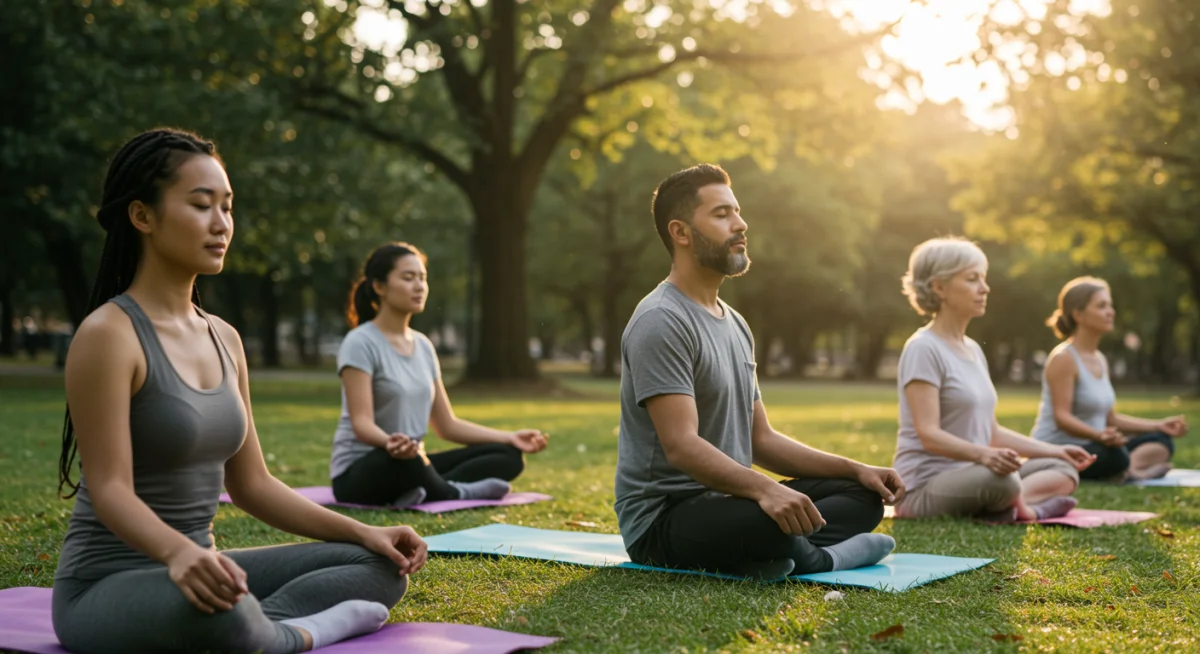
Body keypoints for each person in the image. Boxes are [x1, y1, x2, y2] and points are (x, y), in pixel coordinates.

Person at [53, 128, 426, 654]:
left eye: (227, 207)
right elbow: (111, 487)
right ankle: (298, 633)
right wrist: (179, 554)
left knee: (376, 566)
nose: (222, 223)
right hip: (106, 587)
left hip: (206, 574)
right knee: (217, 610)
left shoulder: (224, 338)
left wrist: (365, 533)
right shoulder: (108, 335)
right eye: (201, 205)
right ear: (143, 217)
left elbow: (252, 484)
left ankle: (255, 627)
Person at [614, 164, 904, 580]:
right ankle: (825, 559)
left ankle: (771, 555)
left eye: (737, 211)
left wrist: (855, 468)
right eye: (721, 215)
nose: (741, 224)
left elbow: (760, 439)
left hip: (734, 498)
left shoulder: (735, 323)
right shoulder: (661, 320)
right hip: (665, 520)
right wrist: (766, 490)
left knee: (861, 495)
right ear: (680, 232)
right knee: (766, 520)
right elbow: (680, 445)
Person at [892, 237, 1096, 522]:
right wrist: (984, 457)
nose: (984, 288)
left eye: (983, 279)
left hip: (977, 473)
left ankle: (1005, 506)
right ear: (939, 287)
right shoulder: (923, 348)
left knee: (1062, 469)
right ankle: (1026, 509)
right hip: (925, 488)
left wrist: (1057, 450)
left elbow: (991, 433)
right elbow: (929, 435)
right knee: (1003, 480)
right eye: (972, 279)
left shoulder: (973, 349)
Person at [330, 242, 548, 507]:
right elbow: (361, 424)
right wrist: (390, 443)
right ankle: (451, 492)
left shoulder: (423, 345)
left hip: (414, 462)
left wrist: (509, 436)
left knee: (507, 456)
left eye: (422, 278)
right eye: (408, 278)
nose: (419, 286)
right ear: (379, 286)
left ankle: (422, 489)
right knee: (403, 461)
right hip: (365, 470)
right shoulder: (360, 342)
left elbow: (447, 425)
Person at [1031, 276, 1188, 481]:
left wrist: (1158, 425)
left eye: (1110, 306)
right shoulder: (1063, 358)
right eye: (1101, 306)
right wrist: (1100, 436)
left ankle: (1127, 471)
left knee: (1160, 440)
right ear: (1078, 314)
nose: (1110, 312)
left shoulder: (1100, 359)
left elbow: (1110, 418)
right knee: (1116, 455)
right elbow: (1062, 418)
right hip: (1063, 449)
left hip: (1098, 444)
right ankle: (1130, 471)